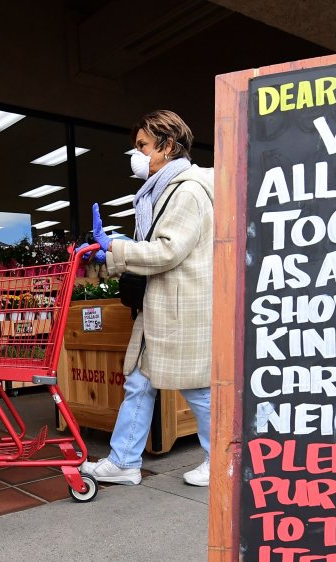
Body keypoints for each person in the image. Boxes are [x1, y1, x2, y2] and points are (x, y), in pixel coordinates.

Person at [79, 110, 214, 487]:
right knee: (140, 380)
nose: (137, 155)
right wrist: (124, 246)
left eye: (143, 146)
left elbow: (168, 251)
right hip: (163, 304)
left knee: (196, 386)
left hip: (180, 305)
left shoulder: (186, 190)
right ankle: (124, 461)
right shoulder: (165, 190)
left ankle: (223, 459)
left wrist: (119, 251)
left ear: (168, 146)